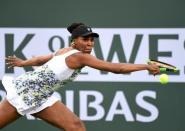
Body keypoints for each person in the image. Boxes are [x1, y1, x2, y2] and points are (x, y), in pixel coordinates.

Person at [0, 23, 160, 131]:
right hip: (25, 92)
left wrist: (24, 63)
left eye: (92, 40)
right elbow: (117, 68)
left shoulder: (64, 50)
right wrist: (145, 66)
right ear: (74, 41)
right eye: (85, 39)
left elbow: (42, 58)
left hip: (42, 97)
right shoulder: (80, 56)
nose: (90, 43)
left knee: (76, 127)